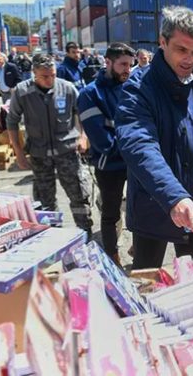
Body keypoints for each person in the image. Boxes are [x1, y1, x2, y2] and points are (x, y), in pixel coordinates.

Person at [116, 6, 193, 269]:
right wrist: (173, 196)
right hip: (155, 198)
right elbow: (139, 144)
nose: (190, 59)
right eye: (181, 49)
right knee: (147, 274)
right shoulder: (138, 89)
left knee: (192, 269)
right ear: (162, 42)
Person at [6, 53, 94, 238]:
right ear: (34, 73)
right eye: (44, 76)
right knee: (45, 202)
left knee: (79, 196)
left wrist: (84, 136)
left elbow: (82, 113)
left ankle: (85, 235)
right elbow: (12, 122)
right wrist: (19, 153)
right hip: (39, 154)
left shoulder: (67, 88)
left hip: (67, 152)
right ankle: (53, 238)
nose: (50, 80)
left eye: (53, 75)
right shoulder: (22, 91)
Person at [78, 43, 136, 266]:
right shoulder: (89, 94)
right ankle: (112, 257)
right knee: (111, 214)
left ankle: (139, 248)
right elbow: (103, 142)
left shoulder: (131, 87)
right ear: (108, 62)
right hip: (109, 165)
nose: (127, 70)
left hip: (134, 161)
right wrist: (137, 144)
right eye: (123, 64)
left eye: (130, 65)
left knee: (142, 207)